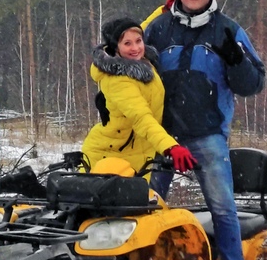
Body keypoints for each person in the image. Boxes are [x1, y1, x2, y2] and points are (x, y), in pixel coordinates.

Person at [141, 0, 267, 260]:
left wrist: (236, 61)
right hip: (163, 137)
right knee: (146, 206)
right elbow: (130, 64)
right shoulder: (158, 29)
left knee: (223, 208)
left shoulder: (228, 31)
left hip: (208, 135)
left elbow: (254, 84)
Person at [80, 16, 194, 179]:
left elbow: (141, 27)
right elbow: (142, 119)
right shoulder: (119, 81)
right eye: (127, 43)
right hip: (110, 158)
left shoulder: (143, 63)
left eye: (138, 41)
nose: (135, 48)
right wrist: (171, 147)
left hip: (136, 155)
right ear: (115, 47)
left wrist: (164, 10)